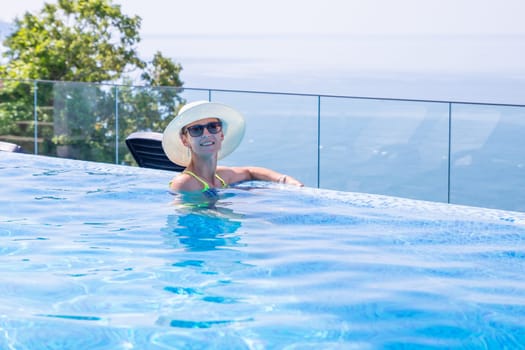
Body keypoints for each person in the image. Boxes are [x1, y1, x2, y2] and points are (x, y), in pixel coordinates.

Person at [162, 100, 303, 197]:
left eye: (213, 127)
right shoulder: (184, 183)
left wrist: (285, 181)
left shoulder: (220, 176)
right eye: (196, 130)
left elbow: (250, 171)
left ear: (221, 134)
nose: (206, 134)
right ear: (184, 139)